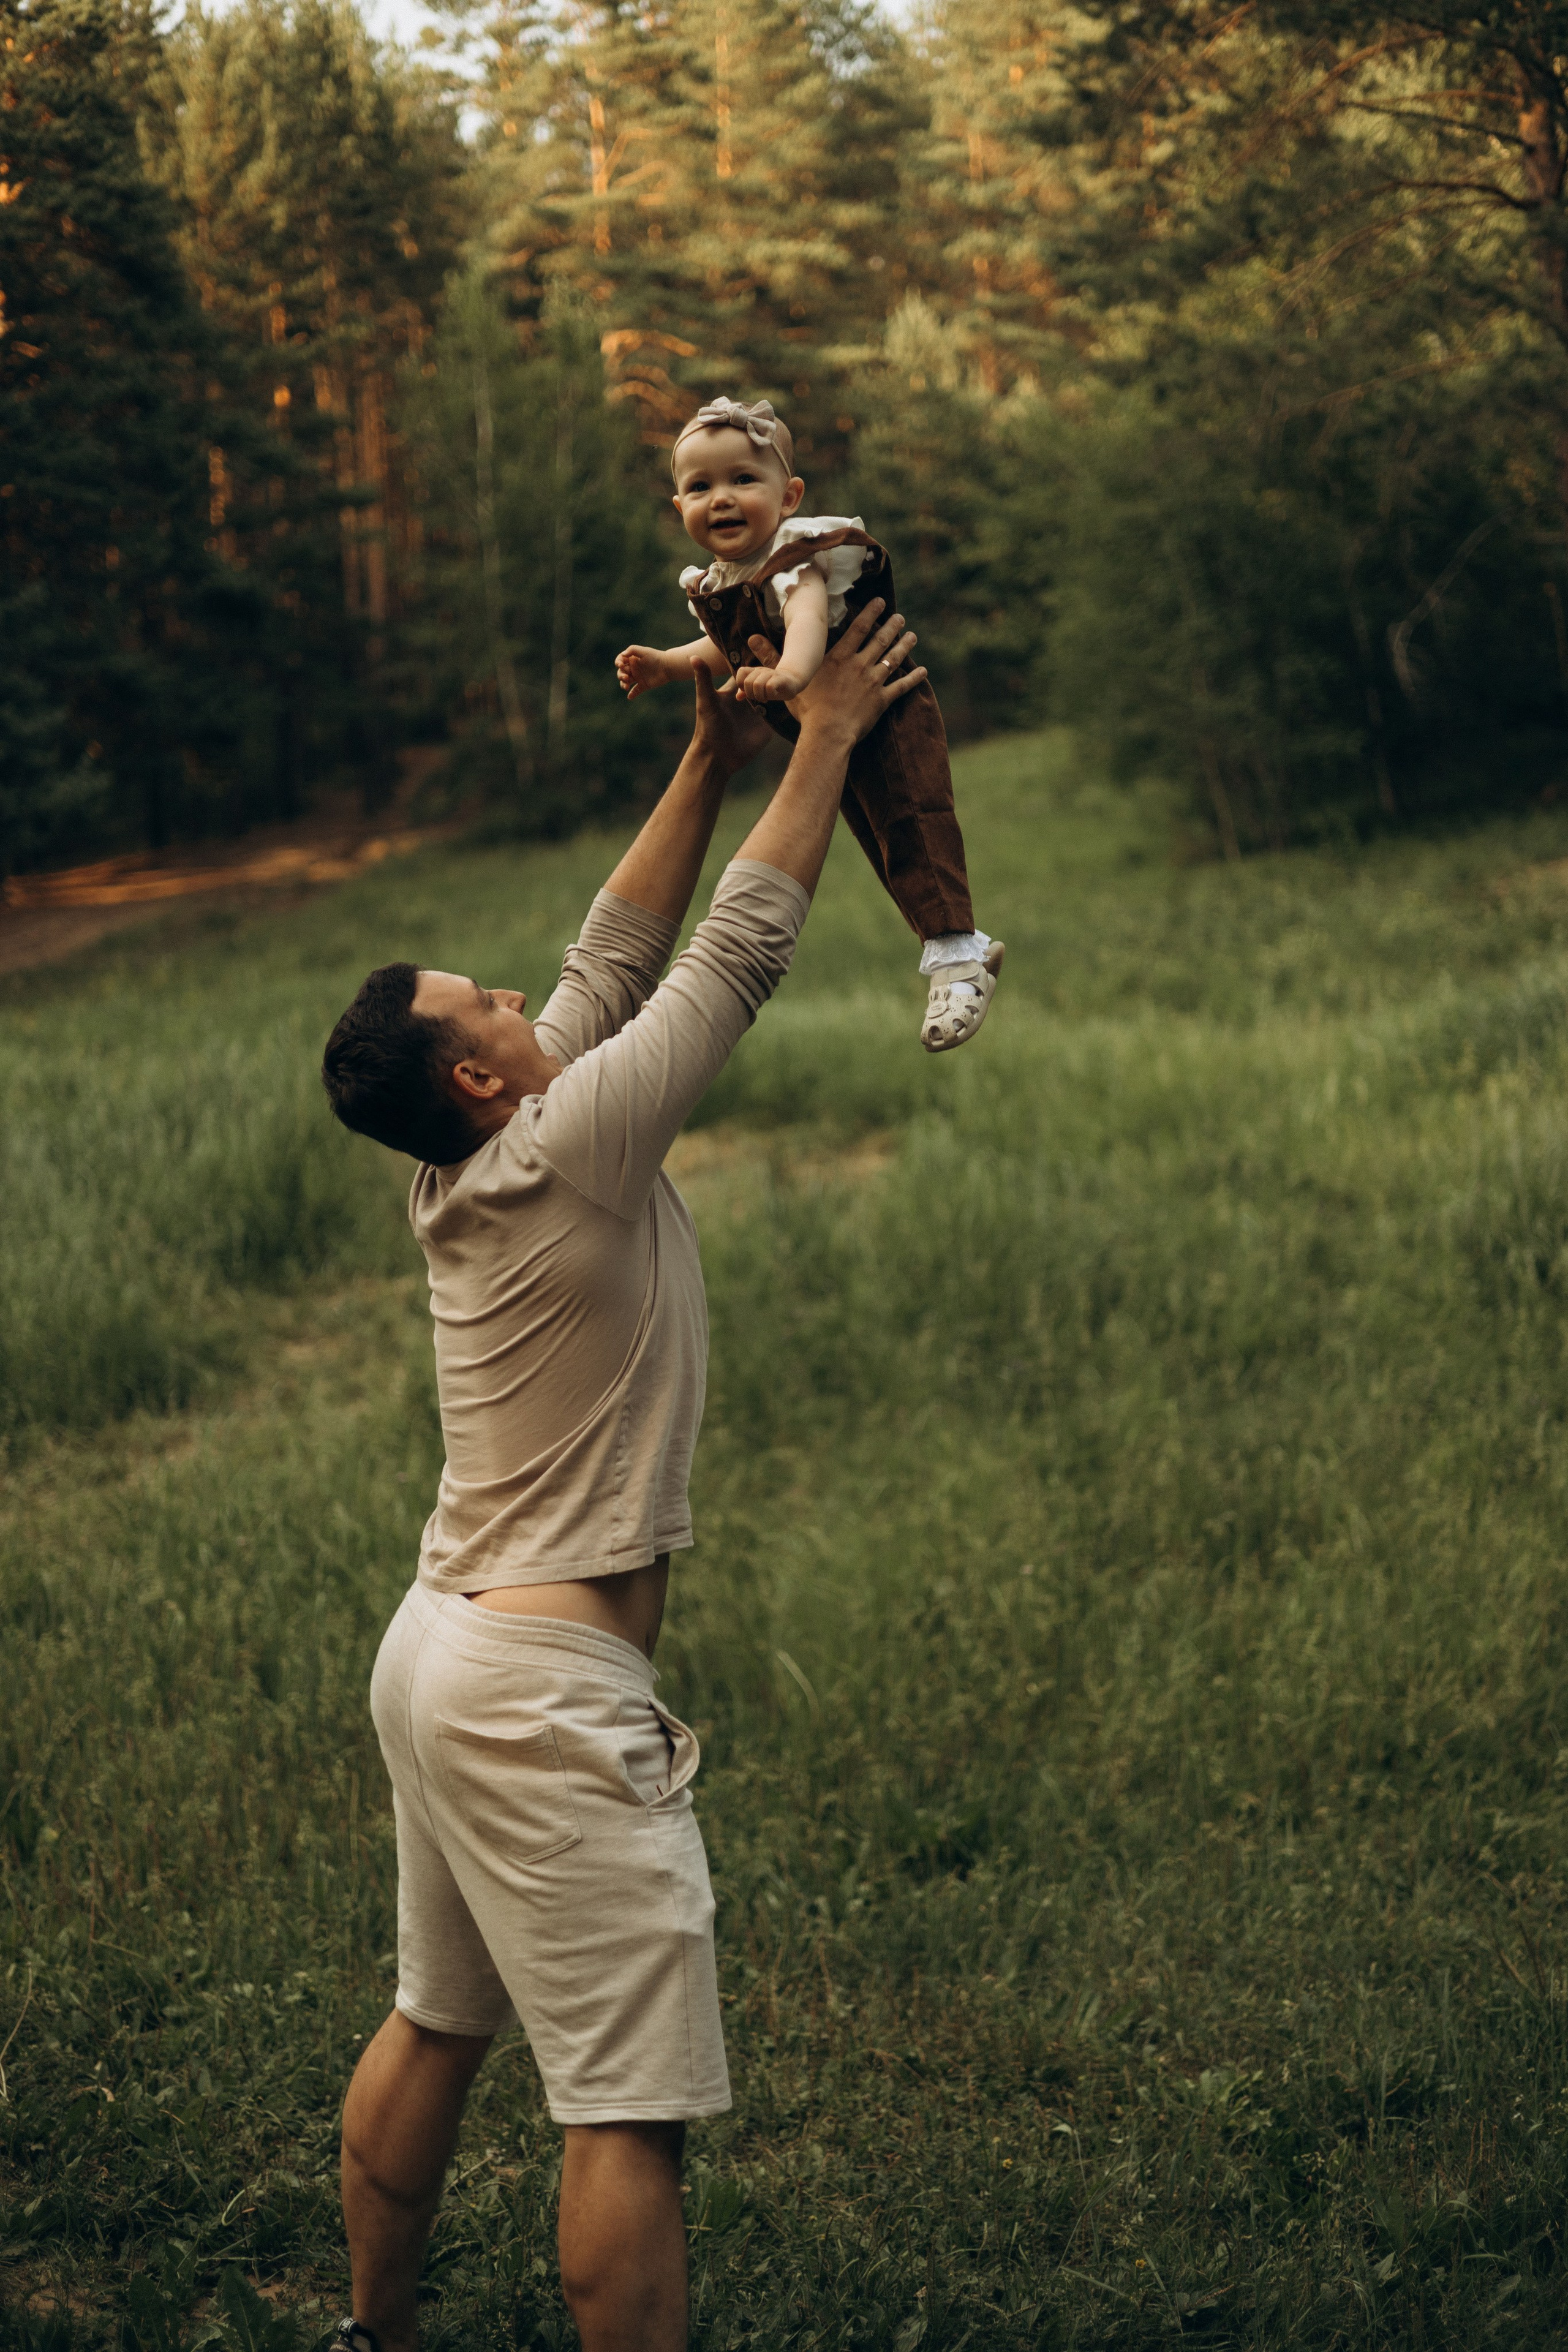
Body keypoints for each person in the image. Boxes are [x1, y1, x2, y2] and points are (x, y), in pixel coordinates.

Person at [317, 602, 926, 2352]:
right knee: (622, 2114)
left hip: (437, 1653)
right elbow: (728, 953)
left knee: (440, 2019)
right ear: (476, 1075)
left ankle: (371, 2334)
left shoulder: (473, 1157)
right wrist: (825, 736)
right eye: (484, 1004)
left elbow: (614, 944)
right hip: (541, 1694)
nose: (521, 995)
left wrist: (707, 750)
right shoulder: (574, 1139)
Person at [614, 394, 1004, 1054]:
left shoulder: (797, 558)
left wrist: (791, 679)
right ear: (680, 509)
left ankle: (958, 959)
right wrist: (666, 665)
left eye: (744, 480)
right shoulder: (722, 582)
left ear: (788, 495)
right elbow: (725, 649)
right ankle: (951, 949)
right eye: (700, 487)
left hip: (884, 707)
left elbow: (802, 623)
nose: (723, 499)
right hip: (833, 729)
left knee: (913, 823)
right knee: (880, 837)